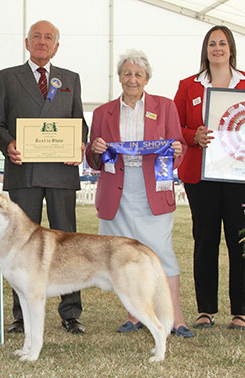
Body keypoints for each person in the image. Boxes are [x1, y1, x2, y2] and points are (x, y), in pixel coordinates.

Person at [85, 49, 193, 338]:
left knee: (162, 254)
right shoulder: (102, 112)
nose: (132, 79)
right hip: (116, 190)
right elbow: (91, 158)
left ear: (147, 79)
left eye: (138, 74)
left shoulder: (166, 107)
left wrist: (177, 151)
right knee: (124, 256)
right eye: (127, 73)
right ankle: (134, 314)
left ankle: (176, 317)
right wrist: (94, 150)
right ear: (119, 77)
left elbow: (177, 147)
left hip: (153, 188)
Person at [0, 20, 88, 334]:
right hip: (24, 171)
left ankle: (70, 313)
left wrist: (80, 145)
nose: (42, 42)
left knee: (68, 243)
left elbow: (79, 123)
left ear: (56, 46)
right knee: (21, 243)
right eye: (37, 37)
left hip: (61, 172)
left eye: (49, 38)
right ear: (26, 42)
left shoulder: (70, 79)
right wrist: (9, 145)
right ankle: (21, 315)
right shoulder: (6, 78)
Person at [174, 26, 245, 330]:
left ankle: (240, 312)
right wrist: (194, 135)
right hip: (200, 176)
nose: (217, 48)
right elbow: (173, 127)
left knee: (238, 241)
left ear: (231, 49)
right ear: (205, 50)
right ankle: (206, 310)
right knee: (205, 240)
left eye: (223, 43)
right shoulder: (188, 86)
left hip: (239, 176)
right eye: (212, 44)